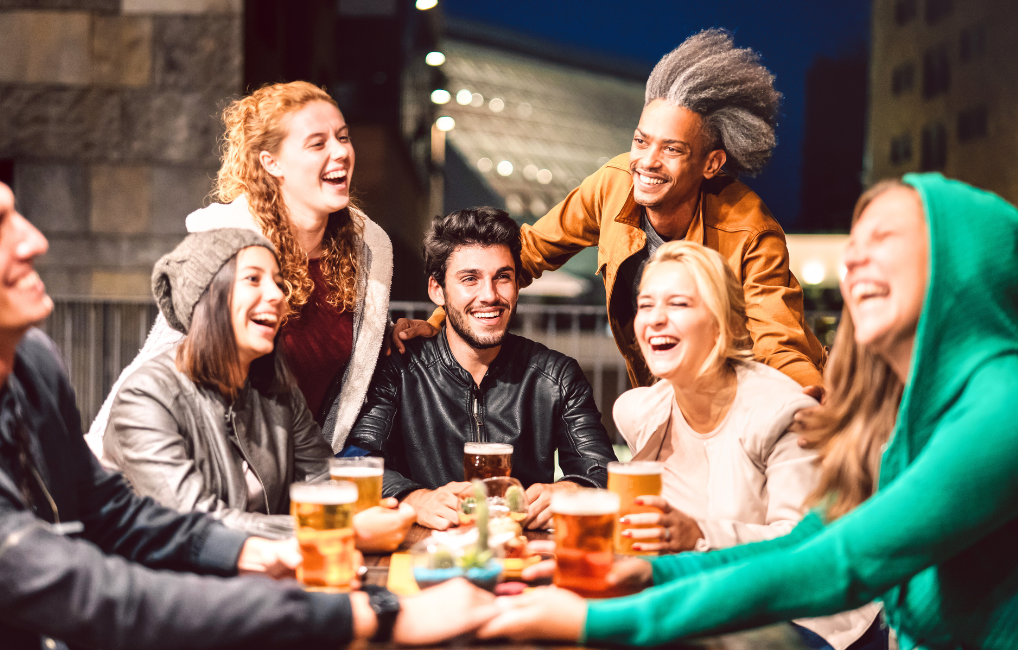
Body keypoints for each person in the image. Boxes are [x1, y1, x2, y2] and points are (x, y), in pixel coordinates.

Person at [0, 136, 499, 649]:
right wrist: (372, 614)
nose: (35, 240)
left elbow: (108, 510)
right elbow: (97, 597)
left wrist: (255, 551)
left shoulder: (33, 362)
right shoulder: (143, 395)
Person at [476, 174, 1018, 650]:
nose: (853, 257)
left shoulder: (1003, 407)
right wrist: (649, 569)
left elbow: (840, 564)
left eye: (884, 237)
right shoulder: (902, 411)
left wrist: (598, 619)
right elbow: (809, 540)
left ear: (959, 256)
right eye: (855, 242)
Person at [393, 29, 826, 394]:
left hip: (744, 394)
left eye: (671, 149)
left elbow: (778, 342)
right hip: (661, 394)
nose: (647, 161)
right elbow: (524, 252)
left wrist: (809, 399)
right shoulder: (613, 184)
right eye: (641, 141)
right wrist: (440, 322)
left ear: (711, 163)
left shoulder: (749, 229)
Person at [89, 80, 392, 453]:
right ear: (271, 162)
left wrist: (393, 333)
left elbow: (355, 346)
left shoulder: (369, 249)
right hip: (212, 468)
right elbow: (162, 357)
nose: (341, 152)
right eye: (318, 143)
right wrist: (96, 465)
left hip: (305, 475)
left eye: (343, 138)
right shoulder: (229, 243)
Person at [608, 240, 881, 649]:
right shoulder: (638, 412)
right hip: (709, 603)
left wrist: (698, 533)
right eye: (645, 306)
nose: (656, 319)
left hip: (805, 618)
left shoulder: (781, 413)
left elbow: (803, 547)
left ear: (722, 323)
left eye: (678, 304)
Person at [102, 228, 414, 551]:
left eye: (279, 283)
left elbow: (322, 480)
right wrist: (337, 528)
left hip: (260, 581)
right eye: (254, 279)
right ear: (207, 296)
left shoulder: (278, 392)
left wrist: (387, 504)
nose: (278, 296)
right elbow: (192, 521)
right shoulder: (146, 396)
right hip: (166, 589)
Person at [345, 207, 618, 530]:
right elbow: (353, 462)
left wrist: (571, 490)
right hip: (424, 554)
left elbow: (603, 470)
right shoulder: (399, 367)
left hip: (522, 555)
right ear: (437, 290)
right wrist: (413, 498)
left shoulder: (556, 376)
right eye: (470, 279)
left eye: (502, 277)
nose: (489, 295)